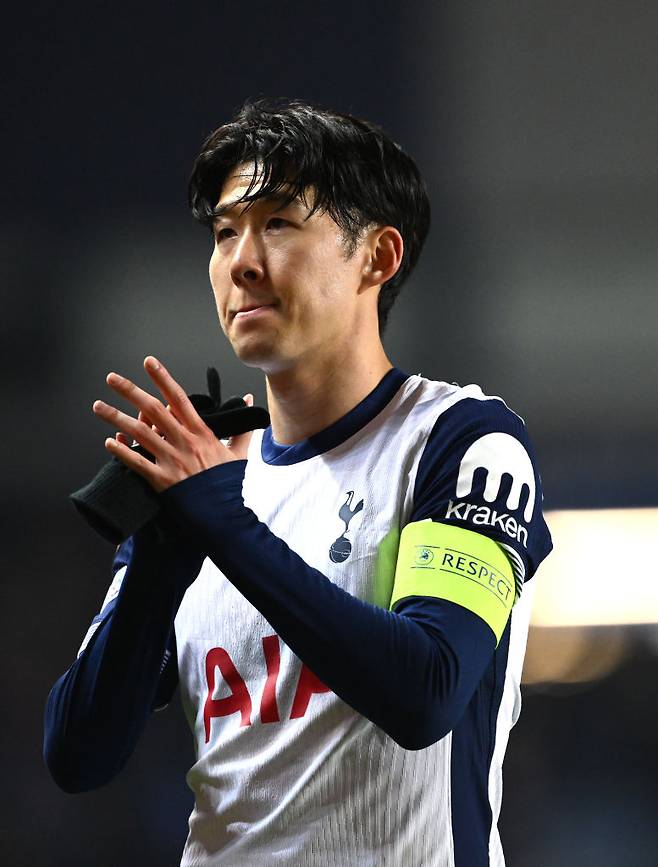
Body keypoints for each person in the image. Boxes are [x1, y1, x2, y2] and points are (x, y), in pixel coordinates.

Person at [44, 97, 553, 866]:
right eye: (225, 232)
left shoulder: (463, 442)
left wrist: (226, 524)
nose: (242, 261)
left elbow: (426, 693)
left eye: (278, 223)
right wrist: (156, 560)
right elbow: (78, 754)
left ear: (377, 256)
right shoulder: (201, 467)